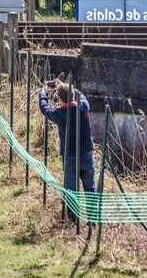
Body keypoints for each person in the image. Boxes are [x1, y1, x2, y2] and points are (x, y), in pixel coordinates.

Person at [38, 77, 94, 222]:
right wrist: (64, 85)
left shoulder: (59, 114)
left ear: (59, 99)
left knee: (71, 190)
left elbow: (44, 109)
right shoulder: (84, 106)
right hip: (87, 155)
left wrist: (43, 92)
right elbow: (79, 95)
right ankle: (93, 220)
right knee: (90, 190)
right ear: (73, 96)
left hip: (70, 157)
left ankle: (72, 220)